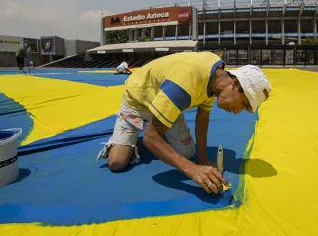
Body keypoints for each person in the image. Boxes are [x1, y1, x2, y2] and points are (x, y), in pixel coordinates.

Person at [96, 51, 272, 194]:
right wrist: (193, 170)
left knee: (188, 153)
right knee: (117, 163)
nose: (236, 111)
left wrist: (202, 158)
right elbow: (150, 138)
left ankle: (162, 118)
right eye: (242, 104)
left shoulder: (217, 80)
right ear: (235, 84)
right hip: (138, 99)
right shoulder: (186, 84)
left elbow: (202, 118)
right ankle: (143, 125)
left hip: (169, 102)